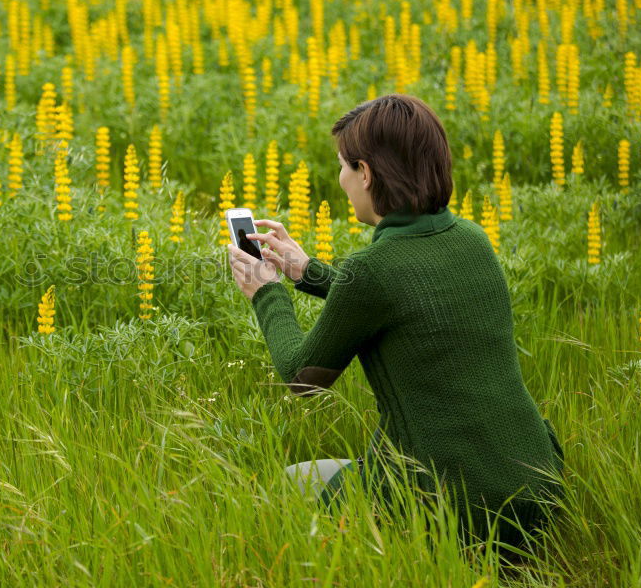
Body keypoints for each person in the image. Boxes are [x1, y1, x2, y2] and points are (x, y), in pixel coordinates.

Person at [226, 94, 565, 554]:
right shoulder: (472, 239)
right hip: (538, 487)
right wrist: (308, 271)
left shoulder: (374, 270)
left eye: (344, 166)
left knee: (294, 482)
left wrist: (265, 291)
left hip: (454, 506)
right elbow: (409, 298)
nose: (340, 178)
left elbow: (303, 378)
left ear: (366, 173)